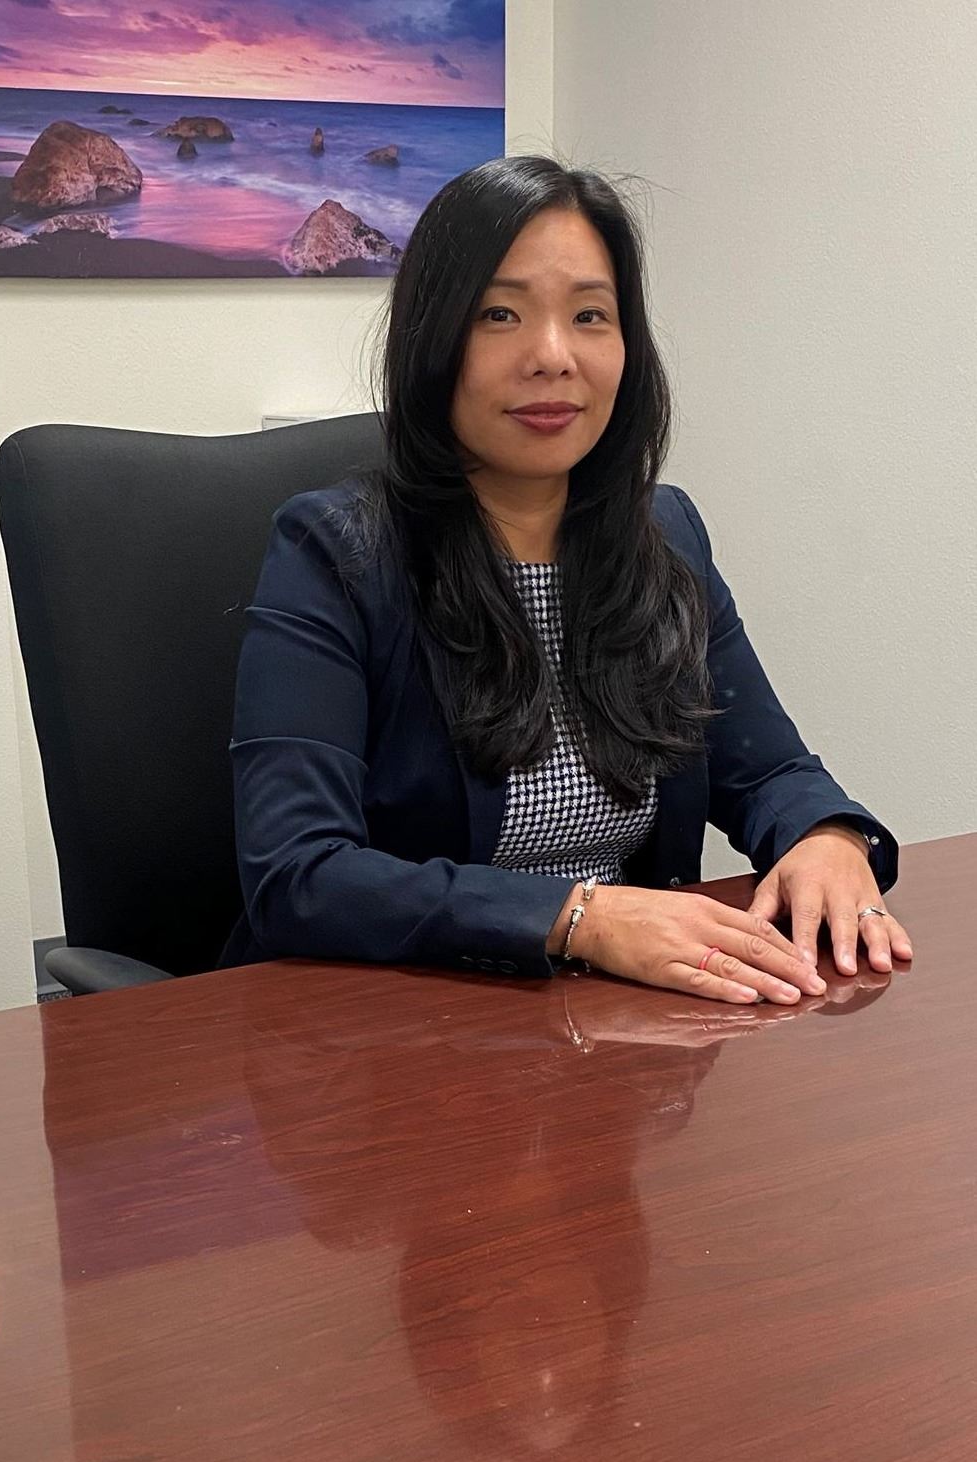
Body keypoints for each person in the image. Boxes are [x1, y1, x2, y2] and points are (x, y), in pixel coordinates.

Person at [223, 157, 913, 1005]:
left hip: (622, 1030)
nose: (552, 357)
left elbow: (766, 770)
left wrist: (828, 836)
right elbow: (299, 873)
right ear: (433, 339)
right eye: (499, 314)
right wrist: (578, 917)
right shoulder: (336, 550)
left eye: (590, 314)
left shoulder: (665, 535)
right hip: (397, 1032)